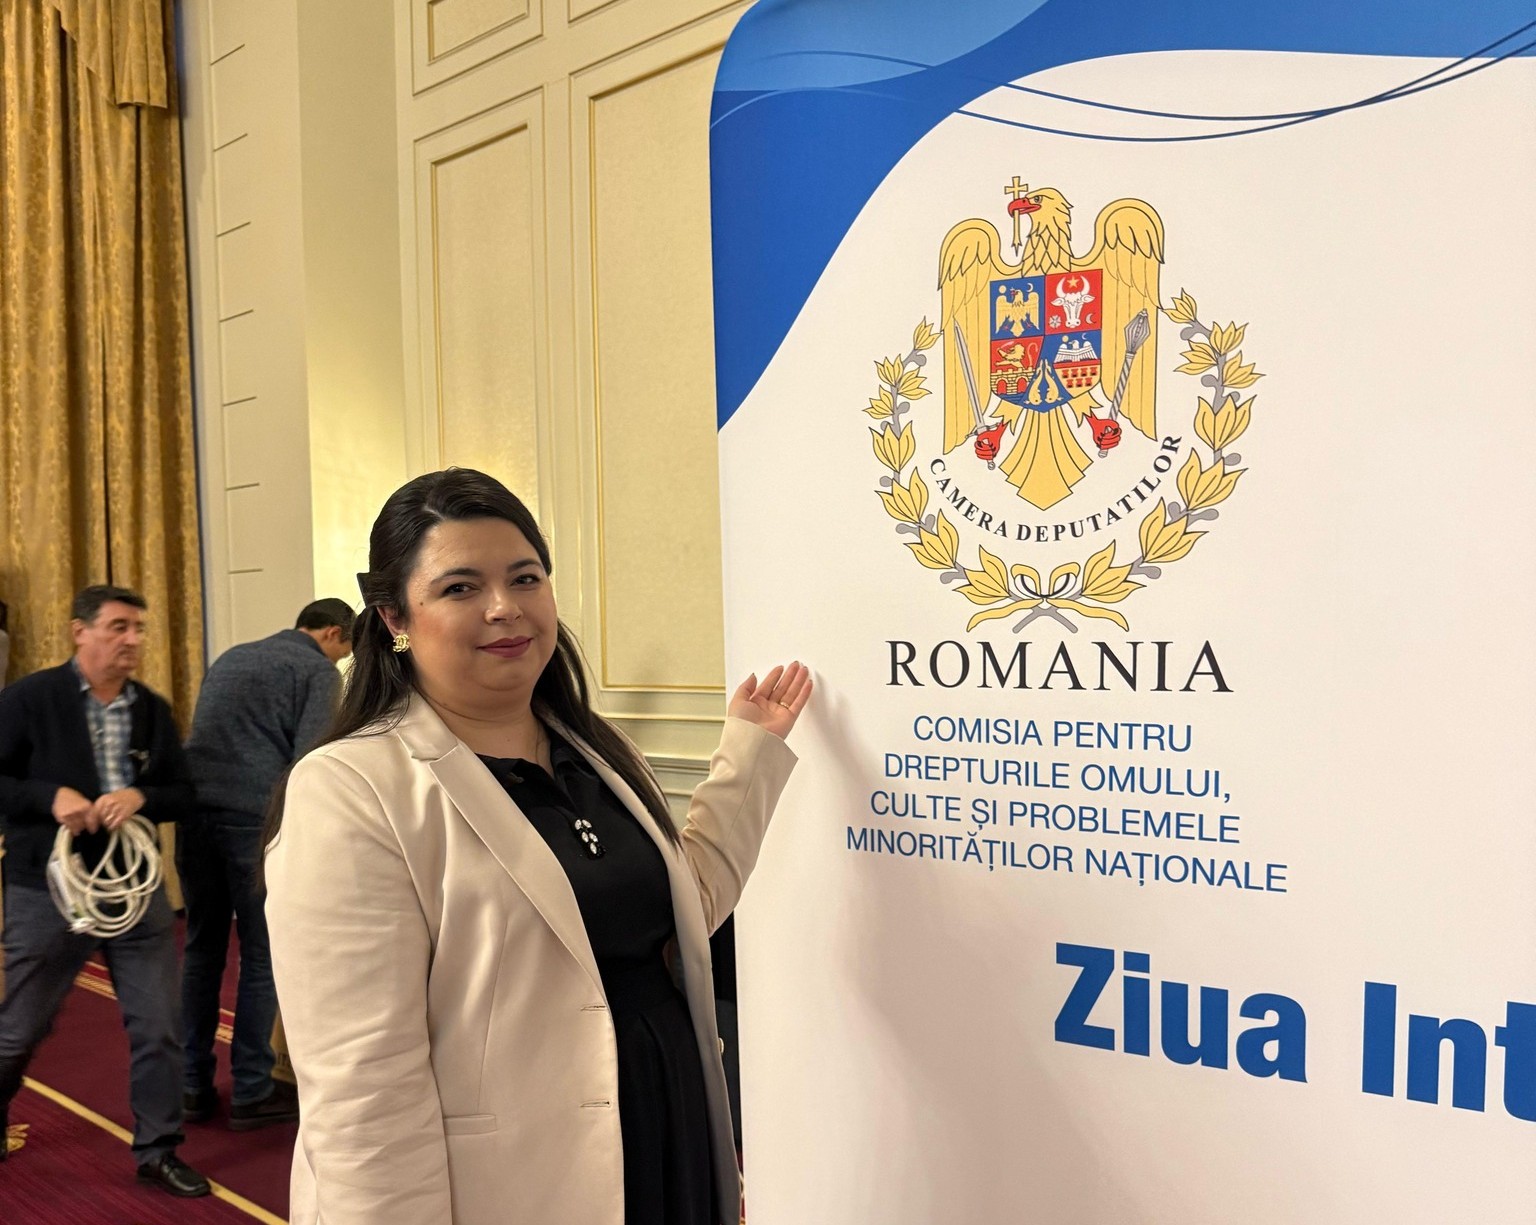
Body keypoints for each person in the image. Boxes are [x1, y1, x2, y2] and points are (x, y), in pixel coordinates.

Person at [264, 468, 811, 1225]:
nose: (505, 607)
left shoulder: (595, 750)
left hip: (664, 1133)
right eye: (460, 587)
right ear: (394, 617)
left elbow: (683, 908)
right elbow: (364, 1089)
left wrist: (747, 755)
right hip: (516, 1184)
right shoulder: (353, 788)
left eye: (525, 577)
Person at [0, 585, 210, 1197]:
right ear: (80, 631)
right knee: (21, 1028)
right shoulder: (29, 699)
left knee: (158, 1026)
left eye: (138, 629)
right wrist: (50, 797)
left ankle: (158, 1151)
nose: (133, 640)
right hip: (47, 889)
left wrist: (141, 796)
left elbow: (183, 793)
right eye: (119, 627)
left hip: (133, 893)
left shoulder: (151, 710)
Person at [179, 598, 355, 1130]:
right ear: (331, 633)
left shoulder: (233, 656)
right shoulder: (317, 673)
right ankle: (252, 1090)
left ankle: (191, 1086)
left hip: (193, 815)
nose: (342, 659)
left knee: (202, 948)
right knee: (261, 954)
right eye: (344, 648)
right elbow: (311, 762)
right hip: (251, 820)